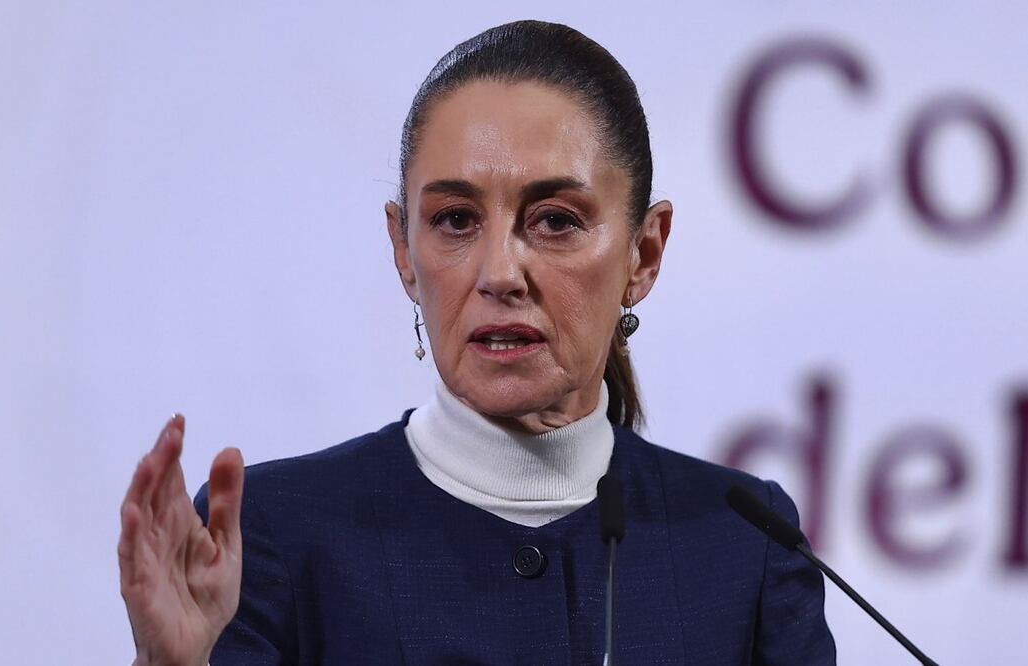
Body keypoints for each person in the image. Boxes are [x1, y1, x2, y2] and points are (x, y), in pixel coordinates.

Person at [118, 20, 836, 665]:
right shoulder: (266, 536)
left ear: (643, 255)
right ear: (404, 251)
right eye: (456, 220)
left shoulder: (742, 547)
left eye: (555, 220)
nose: (499, 274)